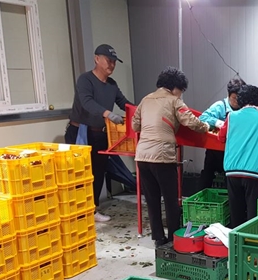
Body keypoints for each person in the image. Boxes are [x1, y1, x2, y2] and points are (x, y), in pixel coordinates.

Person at [132, 67, 209, 248]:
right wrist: (206, 126)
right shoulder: (174, 101)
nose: (181, 95)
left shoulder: (145, 100)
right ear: (175, 87)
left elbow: (135, 125)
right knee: (170, 199)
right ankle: (174, 237)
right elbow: (190, 121)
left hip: (142, 156)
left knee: (151, 199)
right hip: (162, 156)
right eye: (181, 91)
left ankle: (159, 239)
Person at [65, 44, 132, 223]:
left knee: (98, 172)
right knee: (80, 174)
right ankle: (77, 211)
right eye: (108, 60)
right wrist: (108, 114)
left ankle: (92, 209)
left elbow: (124, 102)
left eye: (114, 62)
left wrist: (141, 111)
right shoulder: (85, 80)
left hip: (101, 134)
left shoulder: (112, 85)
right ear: (97, 59)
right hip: (80, 133)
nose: (111, 65)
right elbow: (87, 102)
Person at [218, 85, 258, 228]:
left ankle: (235, 244)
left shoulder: (231, 117)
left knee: (236, 212)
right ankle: (250, 243)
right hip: (255, 173)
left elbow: (221, 137)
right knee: (253, 214)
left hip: (232, 172)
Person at [198, 78, 246, 190]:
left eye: (240, 98)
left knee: (231, 179)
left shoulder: (244, 108)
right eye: (234, 98)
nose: (237, 101)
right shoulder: (220, 106)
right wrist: (219, 123)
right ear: (229, 95)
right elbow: (202, 117)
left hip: (234, 152)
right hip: (216, 151)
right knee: (207, 175)